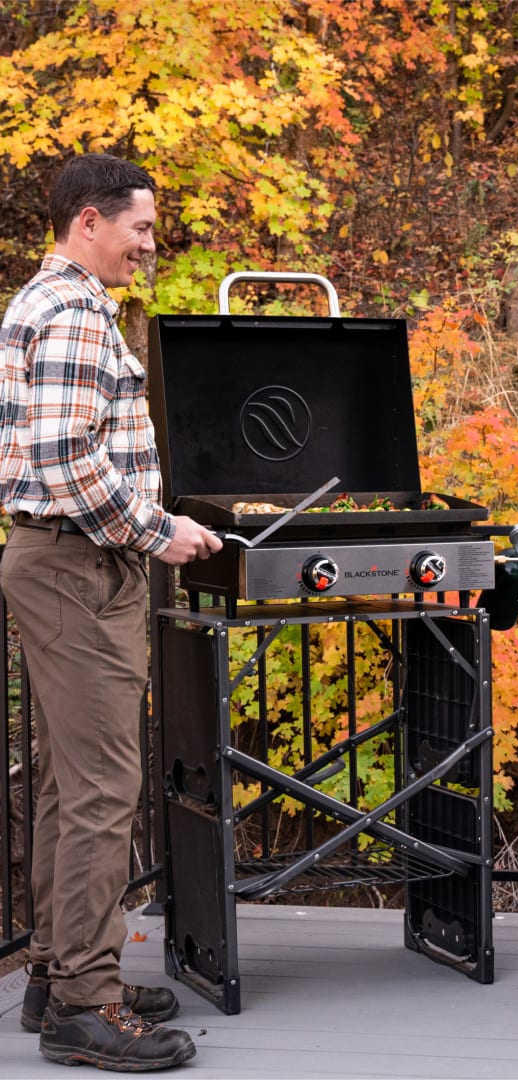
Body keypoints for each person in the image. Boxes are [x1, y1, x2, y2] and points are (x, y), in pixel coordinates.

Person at [0, 152, 222, 1071]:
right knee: (100, 791)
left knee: (68, 784)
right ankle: (84, 1009)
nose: (150, 245)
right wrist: (157, 531)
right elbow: (64, 456)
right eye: (141, 227)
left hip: (66, 561)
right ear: (88, 221)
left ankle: (58, 973)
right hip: (79, 566)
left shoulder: (50, 304)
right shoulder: (74, 312)